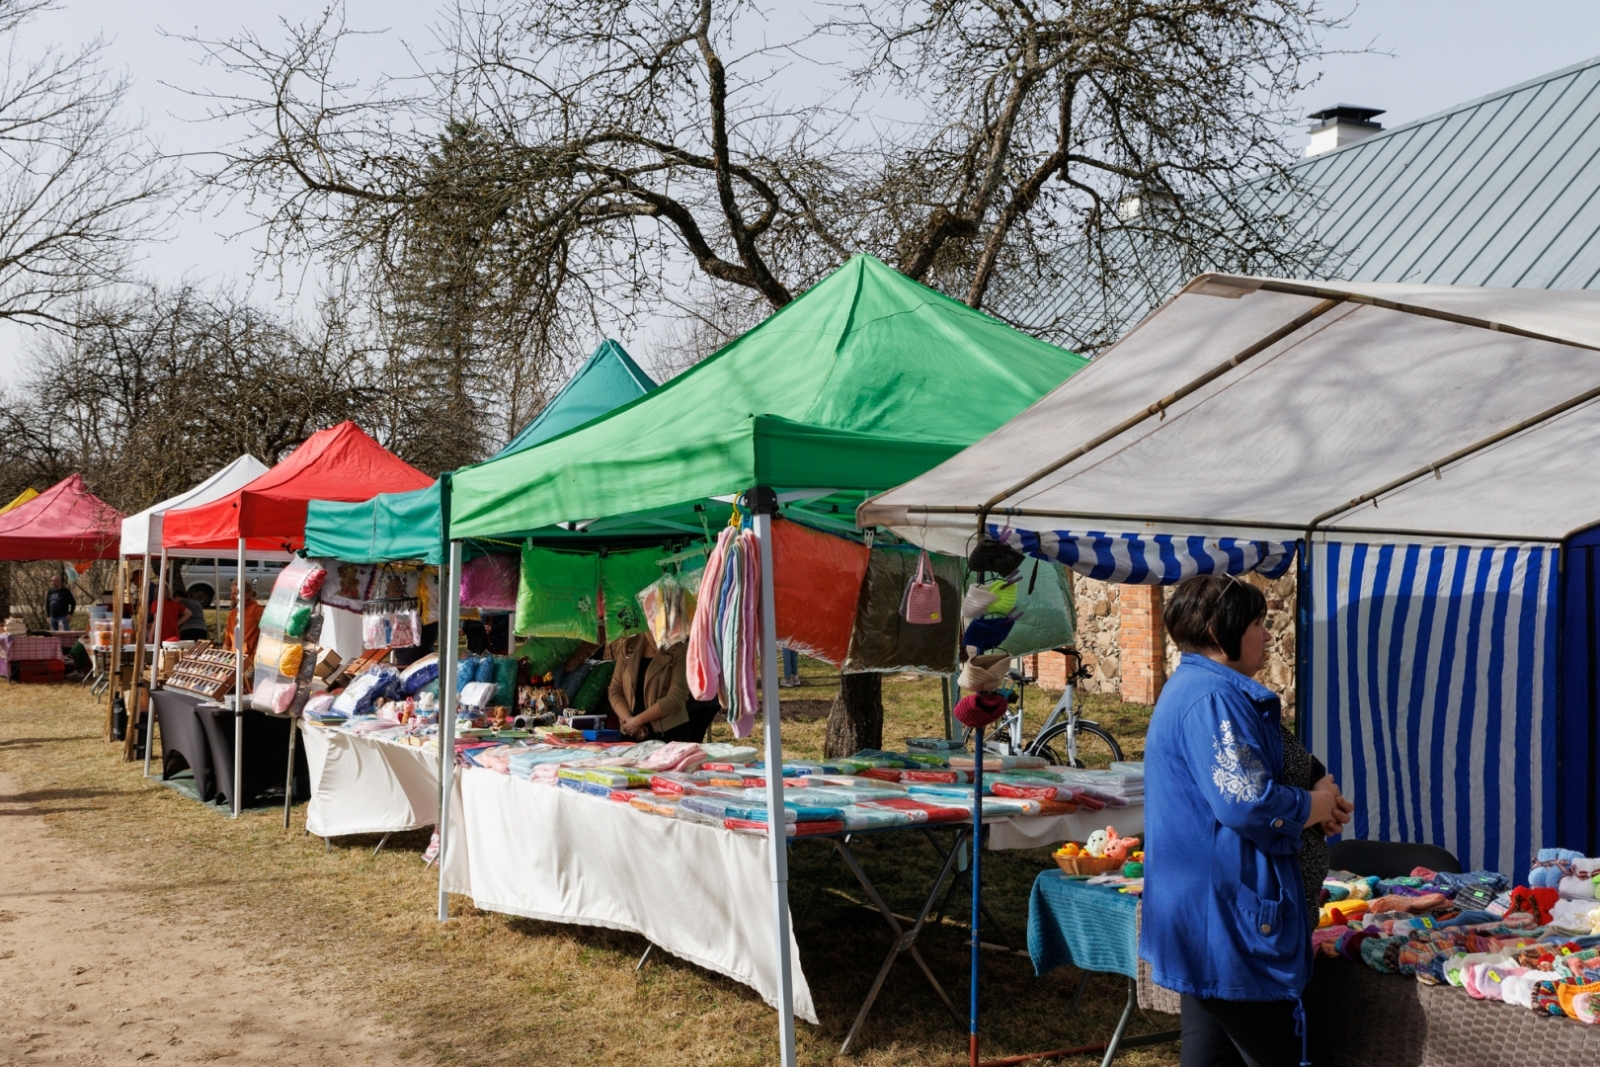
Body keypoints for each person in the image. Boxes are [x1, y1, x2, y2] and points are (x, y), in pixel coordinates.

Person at [1140, 574, 1351, 1067]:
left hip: (1213, 917)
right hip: (1230, 922)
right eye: (1257, 623)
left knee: (1211, 1056)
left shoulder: (1206, 688)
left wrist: (1319, 792)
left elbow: (1275, 765)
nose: (1266, 634)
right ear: (1220, 631)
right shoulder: (1213, 697)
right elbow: (1246, 800)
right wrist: (1314, 808)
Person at [608, 630, 718, 742]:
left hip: (668, 736)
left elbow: (675, 697)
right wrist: (628, 720)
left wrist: (637, 721)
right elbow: (615, 689)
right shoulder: (629, 644)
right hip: (632, 734)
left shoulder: (680, 646)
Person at [223, 579, 264, 672]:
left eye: (235, 594)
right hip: (234, 663)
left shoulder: (256, 610)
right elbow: (227, 643)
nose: (231, 596)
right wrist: (223, 664)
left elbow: (269, 633)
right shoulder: (232, 614)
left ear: (246, 595)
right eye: (231, 593)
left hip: (251, 664)